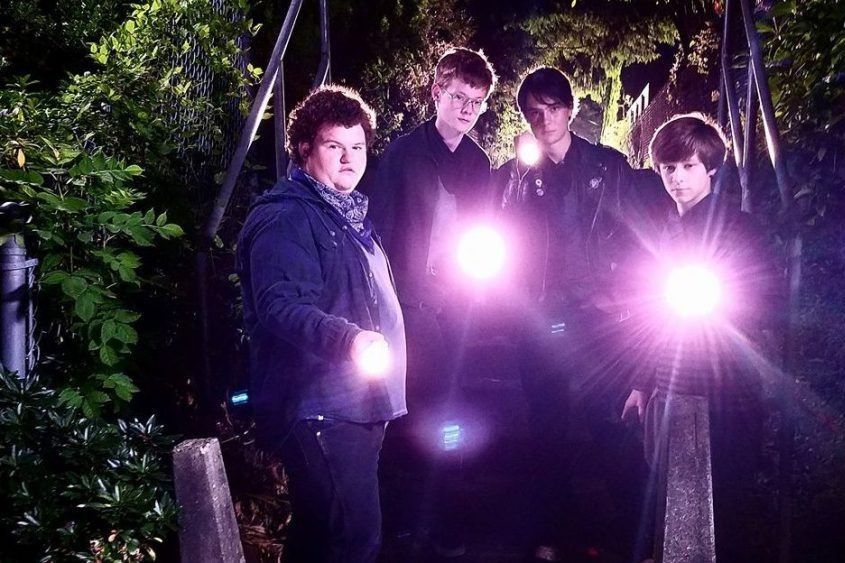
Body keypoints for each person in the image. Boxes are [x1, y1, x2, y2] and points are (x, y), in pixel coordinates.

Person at [236, 85, 406, 563]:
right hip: (322, 407)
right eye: (335, 146)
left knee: (318, 536)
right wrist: (351, 341)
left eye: (358, 147)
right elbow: (279, 305)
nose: (350, 159)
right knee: (353, 538)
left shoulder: (346, 215)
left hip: (354, 403)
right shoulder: (287, 216)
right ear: (304, 147)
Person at [495, 66, 646, 562]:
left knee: (609, 426)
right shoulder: (516, 174)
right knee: (548, 428)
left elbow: (635, 234)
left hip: (600, 319)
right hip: (540, 320)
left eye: (552, 108)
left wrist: (623, 296)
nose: (544, 120)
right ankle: (554, 534)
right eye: (533, 112)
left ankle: (632, 533)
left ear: (569, 109)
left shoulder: (608, 165)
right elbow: (503, 237)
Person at [621, 113, 780, 562]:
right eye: (668, 167)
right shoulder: (663, 231)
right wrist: (641, 382)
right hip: (672, 381)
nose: (677, 177)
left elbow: (765, 303)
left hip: (726, 389)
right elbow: (650, 314)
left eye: (688, 166)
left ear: (710, 167)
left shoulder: (739, 228)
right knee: (671, 490)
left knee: (723, 498)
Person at [368, 46, 497, 558]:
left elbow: (485, 229)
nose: (467, 109)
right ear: (437, 92)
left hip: (456, 302)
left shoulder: (478, 162)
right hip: (410, 301)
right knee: (414, 408)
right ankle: (406, 520)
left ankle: (438, 515)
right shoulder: (403, 154)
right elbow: (380, 226)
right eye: (459, 97)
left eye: (477, 102)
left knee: (449, 407)